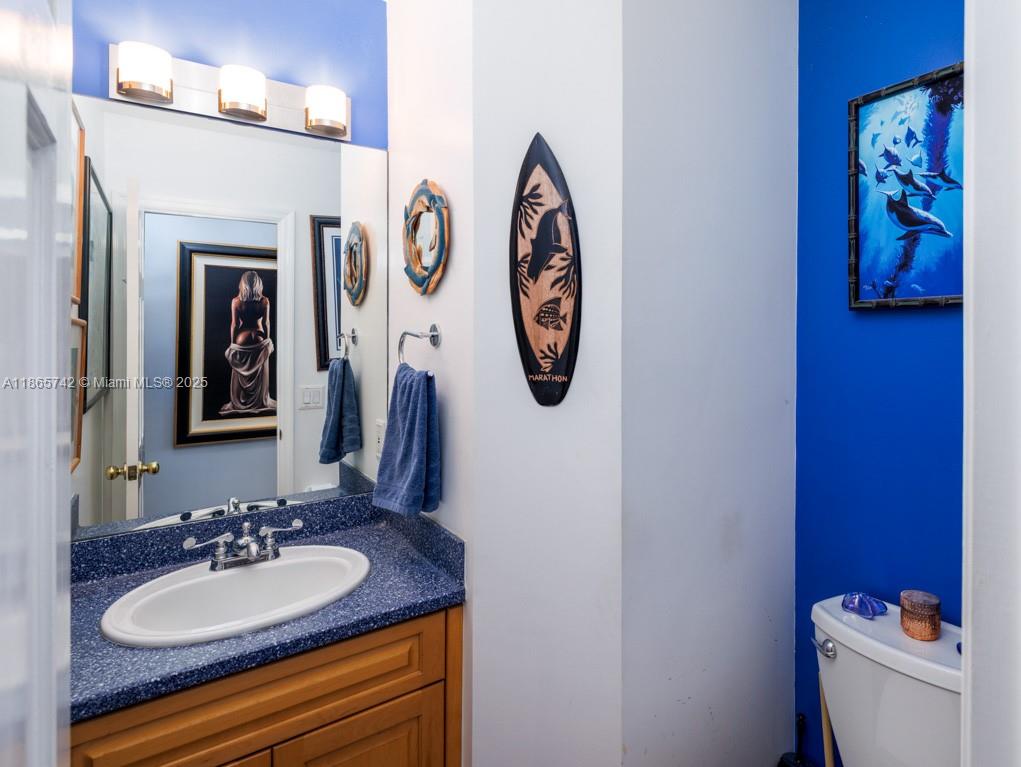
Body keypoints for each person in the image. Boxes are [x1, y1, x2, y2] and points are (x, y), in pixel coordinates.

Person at [220, 270, 276, 415]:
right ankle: (258, 400)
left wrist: (233, 344)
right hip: (259, 339)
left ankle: (241, 401)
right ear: (258, 284)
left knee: (241, 374)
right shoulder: (264, 301)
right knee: (260, 372)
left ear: (242, 284)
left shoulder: (236, 301)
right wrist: (267, 340)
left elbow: (234, 325)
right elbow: (266, 323)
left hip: (242, 340)